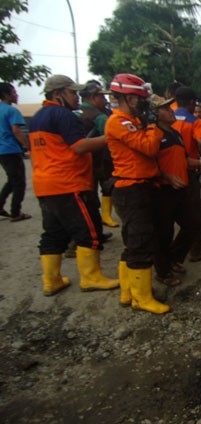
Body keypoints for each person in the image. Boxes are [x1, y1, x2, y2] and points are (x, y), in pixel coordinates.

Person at [27, 74, 119, 296]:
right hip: (67, 183)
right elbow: (79, 146)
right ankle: (91, 277)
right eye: (72, 93)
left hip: (45, 184)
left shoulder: (39, 116)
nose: (77, 97)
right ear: (58, 95)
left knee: (53, 233)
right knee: (89, 230)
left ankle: (52, 280)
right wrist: (113, 137)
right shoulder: (63, 115)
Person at [106, 73, 169, 314]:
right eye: (141, 99)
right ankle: (142, 298)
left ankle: (127, 292)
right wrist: (154, 125)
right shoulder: (119, 121)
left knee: (134, 241)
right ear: (130, 99)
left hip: (139, 186)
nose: (144, 104)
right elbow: (149, 147)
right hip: (131, 188)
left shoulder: (130, 120)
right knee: (141, 242)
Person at [151, 96, 193, 286]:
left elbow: (184, 159)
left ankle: (173, 258)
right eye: (165, 109)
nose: (171, 111)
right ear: (155, 113)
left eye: (170, 108)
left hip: (180, 188)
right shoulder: (153, 134)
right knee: (163, 233)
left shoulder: (175, 133)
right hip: (162, 190)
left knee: (193, 225)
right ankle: (162, 271)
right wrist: (166, 176)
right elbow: (149, 163)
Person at [172, 86, 201, 263]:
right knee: (194, 213)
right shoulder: (194, 121)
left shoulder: (167, 116)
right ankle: (196, 251)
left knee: (174, 213)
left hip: (169, 172)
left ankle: (170, 256)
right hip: (189, 170)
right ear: (191, 102)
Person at [76, 80, 119, 228]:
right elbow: (114, 138)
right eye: (101, 97)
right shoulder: (99, 117)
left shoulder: (75, 112)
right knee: (104, 189)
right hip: (98, 161)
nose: (104, 100)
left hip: (78, 162)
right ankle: (96, 227)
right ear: (93, 97)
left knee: (86, 195)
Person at [0, 82, 31, 222]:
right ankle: (16, 212)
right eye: (13, 92)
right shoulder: (11, 111)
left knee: (12, 180)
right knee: (19, 182)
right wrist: (29, 147)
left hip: (2, 151)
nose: (16, 95)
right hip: (11, 149)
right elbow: (17, 131)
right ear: (6, 95)